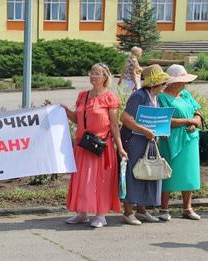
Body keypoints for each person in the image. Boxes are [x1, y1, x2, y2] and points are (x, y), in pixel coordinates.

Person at [62, 63, 128, 228]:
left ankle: (100, 214)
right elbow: (77, 120)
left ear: (105, 77)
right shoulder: (83, 95)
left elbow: (114, 125)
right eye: (91, 73)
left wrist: (120, 147)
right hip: (83, 145)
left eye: (97, 73)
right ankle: (82, 213)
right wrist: (65, 110)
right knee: (82, 180)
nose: (92, 76)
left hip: (101, 146)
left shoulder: (110, 97)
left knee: (100, 180)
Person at [120, 64, 170, 225]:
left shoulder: (156, 98)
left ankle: (142, 210)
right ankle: (128, 212)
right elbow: (125, 118)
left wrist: (163, 130)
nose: (165, 86)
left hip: (149, 142)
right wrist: (144, 129)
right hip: (134, 141)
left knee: (147, 173)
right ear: (156, 83)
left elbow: (157, 120)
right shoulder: (139, 96)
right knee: (133, 173)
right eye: (163, 83)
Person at [157, 64, 202, 221]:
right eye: (183, 80)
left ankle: (187, 208)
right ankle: (164, 208)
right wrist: (188, 120)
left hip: (191, 140)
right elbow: (164, 120)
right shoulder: (161, 97)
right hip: (171, 140)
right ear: (174, 82)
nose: (185, 83)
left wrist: (195, 120)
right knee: (169, 172)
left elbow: (197, 112)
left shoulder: (185, 94)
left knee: (189, 173)